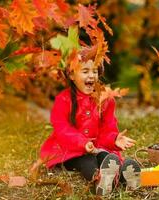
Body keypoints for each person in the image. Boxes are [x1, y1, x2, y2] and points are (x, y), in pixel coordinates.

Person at [30, 58, 141, 196]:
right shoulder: (63, 100)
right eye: (85, 71)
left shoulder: (105, 99)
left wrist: (114, 139)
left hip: (96, 148)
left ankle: (123, 178)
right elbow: (62, 129)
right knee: (88, 162)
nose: (91, 75)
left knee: (107, 157)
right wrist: (82, 143)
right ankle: (99, 183)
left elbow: (107, 129)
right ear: (71, 75)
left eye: (95, 71)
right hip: (69, 150)